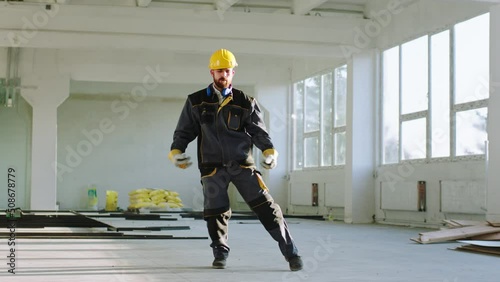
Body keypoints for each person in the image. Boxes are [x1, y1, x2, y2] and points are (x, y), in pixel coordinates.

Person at [168, 49, 303, 271]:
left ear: (233, 72)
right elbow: (184, 131)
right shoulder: (196, 101)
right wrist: (176, 150)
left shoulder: (245, 102)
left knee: (268, 208)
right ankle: (220, 253)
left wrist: (269, 151)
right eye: (220, 70)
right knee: (215, 211)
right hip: (212, 168)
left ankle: (292, 253)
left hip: (242, 165)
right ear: (212, 72)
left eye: (228, 71)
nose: (224, 75)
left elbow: (259, 132)